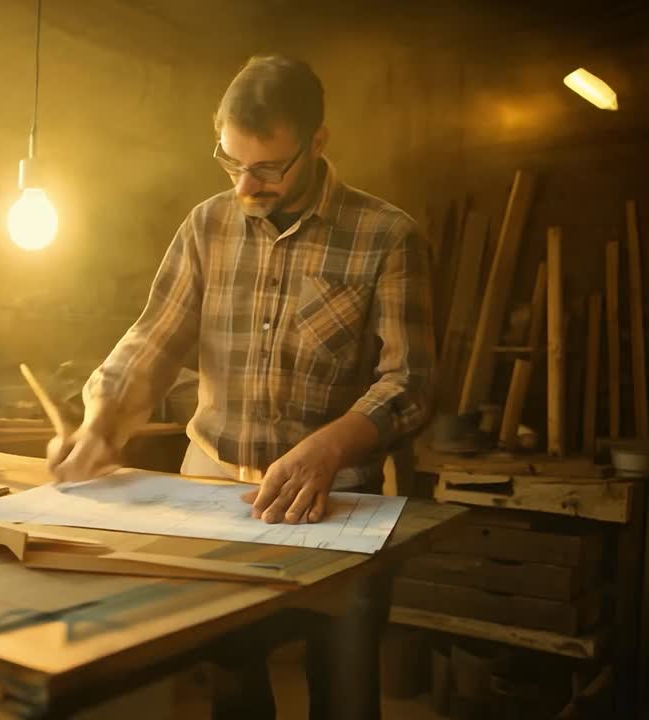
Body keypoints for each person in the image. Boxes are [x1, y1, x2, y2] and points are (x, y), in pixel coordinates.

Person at [46, 55, 435, 719]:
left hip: (333, 502)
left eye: (266, 168)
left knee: (343, 693)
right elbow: (153, 341)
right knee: (229, 690)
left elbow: (411, 382)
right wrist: (101, 425)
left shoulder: (386, 237)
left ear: (317, 143)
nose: (245, 186)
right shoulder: (206, 226)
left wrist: (331, 448)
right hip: (209, 491)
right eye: (231, 162)